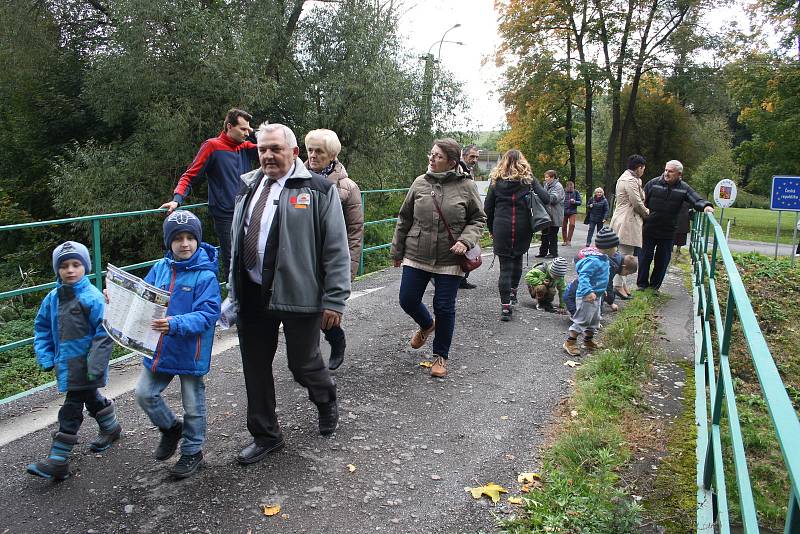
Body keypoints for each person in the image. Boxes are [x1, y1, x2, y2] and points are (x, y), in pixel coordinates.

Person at [227, 123, 351, 466]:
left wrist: (335, 298)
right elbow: (237, 243)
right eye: (262, 149)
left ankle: (325, 398)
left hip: (300, 291)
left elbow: (336, 248)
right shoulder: (248, 185)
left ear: (293, 153)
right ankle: (266, 435)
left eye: (275, 149)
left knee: (302, 364)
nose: (267, 155)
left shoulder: (318, 190)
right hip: (252, 292)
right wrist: (231, 290)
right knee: (254, 366)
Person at [133, 211, 221, 479]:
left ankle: (193, 451)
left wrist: (175, 324)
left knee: (193, 406)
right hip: (159, 348)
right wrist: (116, 298)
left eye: (190, 238)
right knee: (144, 393)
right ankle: (171, 428)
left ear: (197, 240)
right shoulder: (160, 268)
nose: (185, 244)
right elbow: (142, 297)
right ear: (168, 242)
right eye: (178, 239)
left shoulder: (205, 276)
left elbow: (208, 314)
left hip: (189, 351)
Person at [390, 138, 486, 378]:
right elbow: (404, 218)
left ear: (452, 163)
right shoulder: (420, 183)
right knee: (407, 299)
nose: (431, 159)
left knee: (444, 308)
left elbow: (478, 219)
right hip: (417, 251)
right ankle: (426, 324)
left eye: (438, 156)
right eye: (431, 154)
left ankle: (440, 356)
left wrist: (465, 241)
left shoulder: (466, 186)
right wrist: (397, 250)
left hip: (449, 257)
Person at [27, 242, 119, 480]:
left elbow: (105, 331)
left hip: (87, 364)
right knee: (90, 398)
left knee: (71, 408)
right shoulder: (52, 298)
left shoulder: (92, 298)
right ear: (57, 269)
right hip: (65, 364)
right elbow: (42, 327)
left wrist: (96, 363)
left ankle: (58, 460)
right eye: (64, 266)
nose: (70, 270)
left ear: (85, 267)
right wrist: (46, 356)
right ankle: (111, 428)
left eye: (76, 264)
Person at [159, 108, 259, 279]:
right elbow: (189, 175)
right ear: (229, 126)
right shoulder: (212, 146)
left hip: (247, 211)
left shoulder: (246, 147)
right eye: (243, 129)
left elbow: (274, 150)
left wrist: (257, 133)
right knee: (232, 261)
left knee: (252, 256)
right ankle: (236, 301)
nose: (247, 133)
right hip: (225, 215)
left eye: (248, 129)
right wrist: (177, 199)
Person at [304, 128, 364, 370]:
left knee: (324, 312)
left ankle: (336, 339)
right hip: (301, 258)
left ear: (332, 156)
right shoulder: (294, 179)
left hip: (329, 260)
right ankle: (309, 357)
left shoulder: (348, 188)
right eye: (310, 150)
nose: (313, 155)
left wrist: (348, 273)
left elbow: (355, 232)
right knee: (301, 312)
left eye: (319, 151)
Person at [484, 149, 550, 320]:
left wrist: (492, 229)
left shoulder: (495, 182)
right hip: (522, 228)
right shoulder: (528, 180)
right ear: (522, 162)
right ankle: (512, 294)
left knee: (505, 268)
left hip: (502, 228)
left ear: (503, 162)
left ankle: (506, 308)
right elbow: (547, 198)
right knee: (518, 261)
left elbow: (487, 209)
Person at [638, 160, 714, 290]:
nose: (666, 173)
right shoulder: (653, 183)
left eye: (670, 171)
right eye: (666, 170)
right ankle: (641, 285)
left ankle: (654, 287)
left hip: (668, 230)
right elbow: (641, 201)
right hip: (649, 228)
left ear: (679, 174)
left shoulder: (684, 188)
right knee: (645, 257)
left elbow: (696, 200)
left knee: (662, 261)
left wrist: (706, 206)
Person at [562, 227, 619, 357]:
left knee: (594, 320)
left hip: (596, 295)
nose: (617, 250)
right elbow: (584, 276)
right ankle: (569, 342)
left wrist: (602, 289)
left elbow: (601, 277)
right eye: (616, 247)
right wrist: (588, 291)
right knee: (582, 320)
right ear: (608, 247)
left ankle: (588, 341)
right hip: (586, 296)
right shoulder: (593, 260)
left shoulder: (603, 257)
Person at [609, 155, 649, 299]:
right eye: (643, 168)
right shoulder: (630, 180)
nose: (643, 171)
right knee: (626, 255)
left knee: (626, 253)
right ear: (639, 168)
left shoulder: (626, 178)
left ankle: (622, 283)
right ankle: (618, 285)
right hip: (628, 220)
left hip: (623, 217)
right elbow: (637, 202)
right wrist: (647, 213)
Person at [458, 143, 481, 289]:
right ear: (464, 155)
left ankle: (462, 279)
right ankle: (459, 279)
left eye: (477, 157)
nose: (475, 159)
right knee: (464, 247)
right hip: (460, 213)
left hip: (467, 212)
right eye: (472, 156)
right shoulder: (459, 169)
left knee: (466, 247)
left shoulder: (466, 169)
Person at [536, 170, 565, 258]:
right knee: (544, 233)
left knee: (552, 234)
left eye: (547, 177)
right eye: (545, 177)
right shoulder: (546, 185)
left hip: (555, 214)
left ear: (552, 178)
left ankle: (553, 253)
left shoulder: (558, 186)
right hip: (546, 214)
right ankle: (543, 252)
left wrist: (544, 197)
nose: (545, 179)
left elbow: (554, 198)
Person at [561, 180, 582, 246]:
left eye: (572, 188)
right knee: (564, 226)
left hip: (572, 211)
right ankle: (564, 240)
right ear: (566, 187)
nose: (571, 189)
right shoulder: (563, 192)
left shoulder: (576, 192)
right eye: (569, 188)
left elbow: (580, 202)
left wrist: (575, 202)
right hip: (564, 211)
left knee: (572, 224)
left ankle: (569, 240)